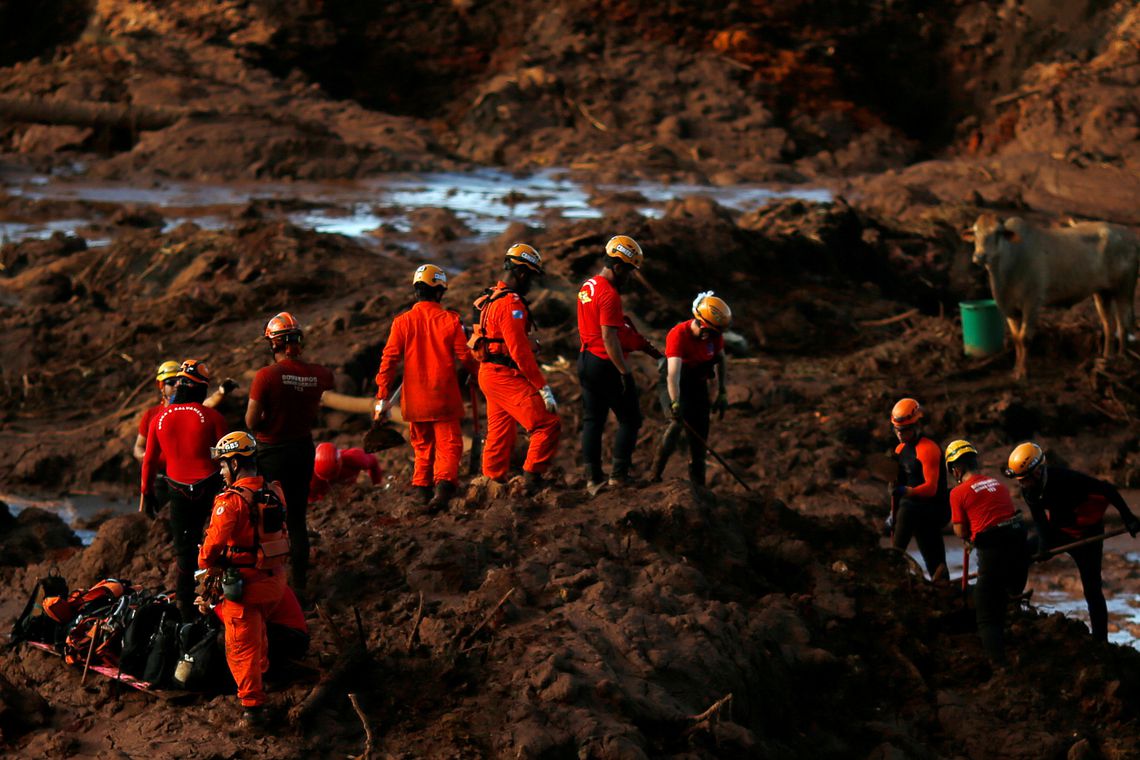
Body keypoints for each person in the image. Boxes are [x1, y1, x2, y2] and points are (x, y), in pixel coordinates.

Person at [1006, 441, 1140, 642]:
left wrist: (1128, 518)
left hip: (1088, 535)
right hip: (1058, 531)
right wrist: (1043, 546)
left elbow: (1108, 490)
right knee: (1022, 555)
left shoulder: (1067, 479)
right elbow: (1040, 519)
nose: (1022, 484)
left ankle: (1100, 641)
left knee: (1092, 589)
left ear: (1038, 471)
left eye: (1024, 479)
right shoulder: (1029, 490)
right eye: (1019, 480)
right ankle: (1013, 605)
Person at [199, 431, 287, 729]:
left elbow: (208, 553)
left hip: (244, 587)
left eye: (223, 465)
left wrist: (208, 562)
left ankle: (252, 711)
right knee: (259, 637)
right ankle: (264, 683)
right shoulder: (275, 491)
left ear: (235, 463)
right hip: (273, 583)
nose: (221, 471)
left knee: (241, 647)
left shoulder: (231, 502)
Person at [373, 264, 478, 509]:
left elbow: (388, 362)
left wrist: (382, 397)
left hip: (415, 401)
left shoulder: (402, 322)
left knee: (422, 446)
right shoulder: (450, 320)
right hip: (444, 398)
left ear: (416, 290)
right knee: (449, 444)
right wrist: (481, 375)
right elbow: (466, 357)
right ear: (440, 291)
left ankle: (421, 490)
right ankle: (443, 489)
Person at [246, 312, 334, 595]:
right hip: (302, 450)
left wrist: (268, 422)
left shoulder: (266, 376)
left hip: (271, 452)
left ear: (274, 344)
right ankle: (300, 586)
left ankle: (270, 582)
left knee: (267, 518)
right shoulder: (319, 374)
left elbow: (250, 421)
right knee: (297, 518)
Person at [140, 359, 228, 618]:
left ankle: (185, 608)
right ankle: (219, 600)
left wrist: (147, 492)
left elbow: (149, 460)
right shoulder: (213, 417)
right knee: (217, 543)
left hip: (176, 490)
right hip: (209, 487)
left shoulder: (158, 419)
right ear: (201, 389)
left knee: (183, 550)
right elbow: (224, 458)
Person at [471, 244, 561, 493]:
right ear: (522, 273)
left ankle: (491, 482)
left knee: (500, 433)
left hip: (488, 374)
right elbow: (519, 353)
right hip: (503, 375)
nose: (530, 283)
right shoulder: (511, 304)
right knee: (547, 424)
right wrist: (543, 387)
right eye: (530, 277)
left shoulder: (491, 297)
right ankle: (531, 480)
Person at [576, 235, 660, 494]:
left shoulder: (587, 286)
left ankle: (592, 479)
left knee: (593, 420)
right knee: (630, 419)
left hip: (585, 360)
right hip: (604, 363)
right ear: (619, 266)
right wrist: (625, 372)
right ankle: (618, 476)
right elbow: (609, 337)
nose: (631, 277)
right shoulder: (609, 295)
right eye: (630, 271)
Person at [945, 439, 1029, 665]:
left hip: (994, 549)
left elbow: (961, 530)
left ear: (956, 469)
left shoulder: (957, 492)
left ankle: (1000, 668)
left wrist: (968, 534)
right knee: (1000, 597)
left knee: (985, 612)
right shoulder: (997, 483)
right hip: (1019, 544)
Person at [650, 292, 731, 487]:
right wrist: (675, 402)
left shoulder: (714, 335)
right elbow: (673, 375)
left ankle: (698, 484)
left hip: (698, 383)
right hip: (674, 383)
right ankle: (655, 475)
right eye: (711, 332)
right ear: (702, 325)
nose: (713, 337)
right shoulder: (678, 334)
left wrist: (722, 390)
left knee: (701, 432)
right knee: (676, 424)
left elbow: (721, 360)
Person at [885, 398, 949, 580]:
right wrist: (892, 513)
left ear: (916, 425)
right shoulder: (899, 450)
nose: (900, 434)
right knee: (933, 559)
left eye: (904, 431)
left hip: (934, 508)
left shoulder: (928, 449)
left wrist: (906, 492)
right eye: (897, 430)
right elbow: (897, 486)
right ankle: (940, 581)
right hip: (914, 509)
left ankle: (894, 558)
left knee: (906, 510)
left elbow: (931, 488)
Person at [309, 442, 383, 503]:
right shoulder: (308, 479)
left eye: (333, 474)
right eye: (325, 477)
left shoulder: (355, 458)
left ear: (340, 462)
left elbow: (374, 463)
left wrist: (376, 486)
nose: (329, 479)